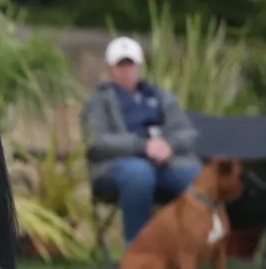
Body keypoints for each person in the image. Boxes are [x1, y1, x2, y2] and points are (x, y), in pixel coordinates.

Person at [83, 36, 202, 249]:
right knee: (139, 173)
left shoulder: (161, 96)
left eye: (130, 64)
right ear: (109, 68)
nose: (126, 70)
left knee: (197, 178)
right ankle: (138, 251)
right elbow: (97, 142)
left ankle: (190, 250)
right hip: (119, 166)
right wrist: (143, 146)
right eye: (120, 65)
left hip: (165, 162)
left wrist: (168, 146)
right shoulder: (98, 101)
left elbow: (187, 133)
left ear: (139, 66)